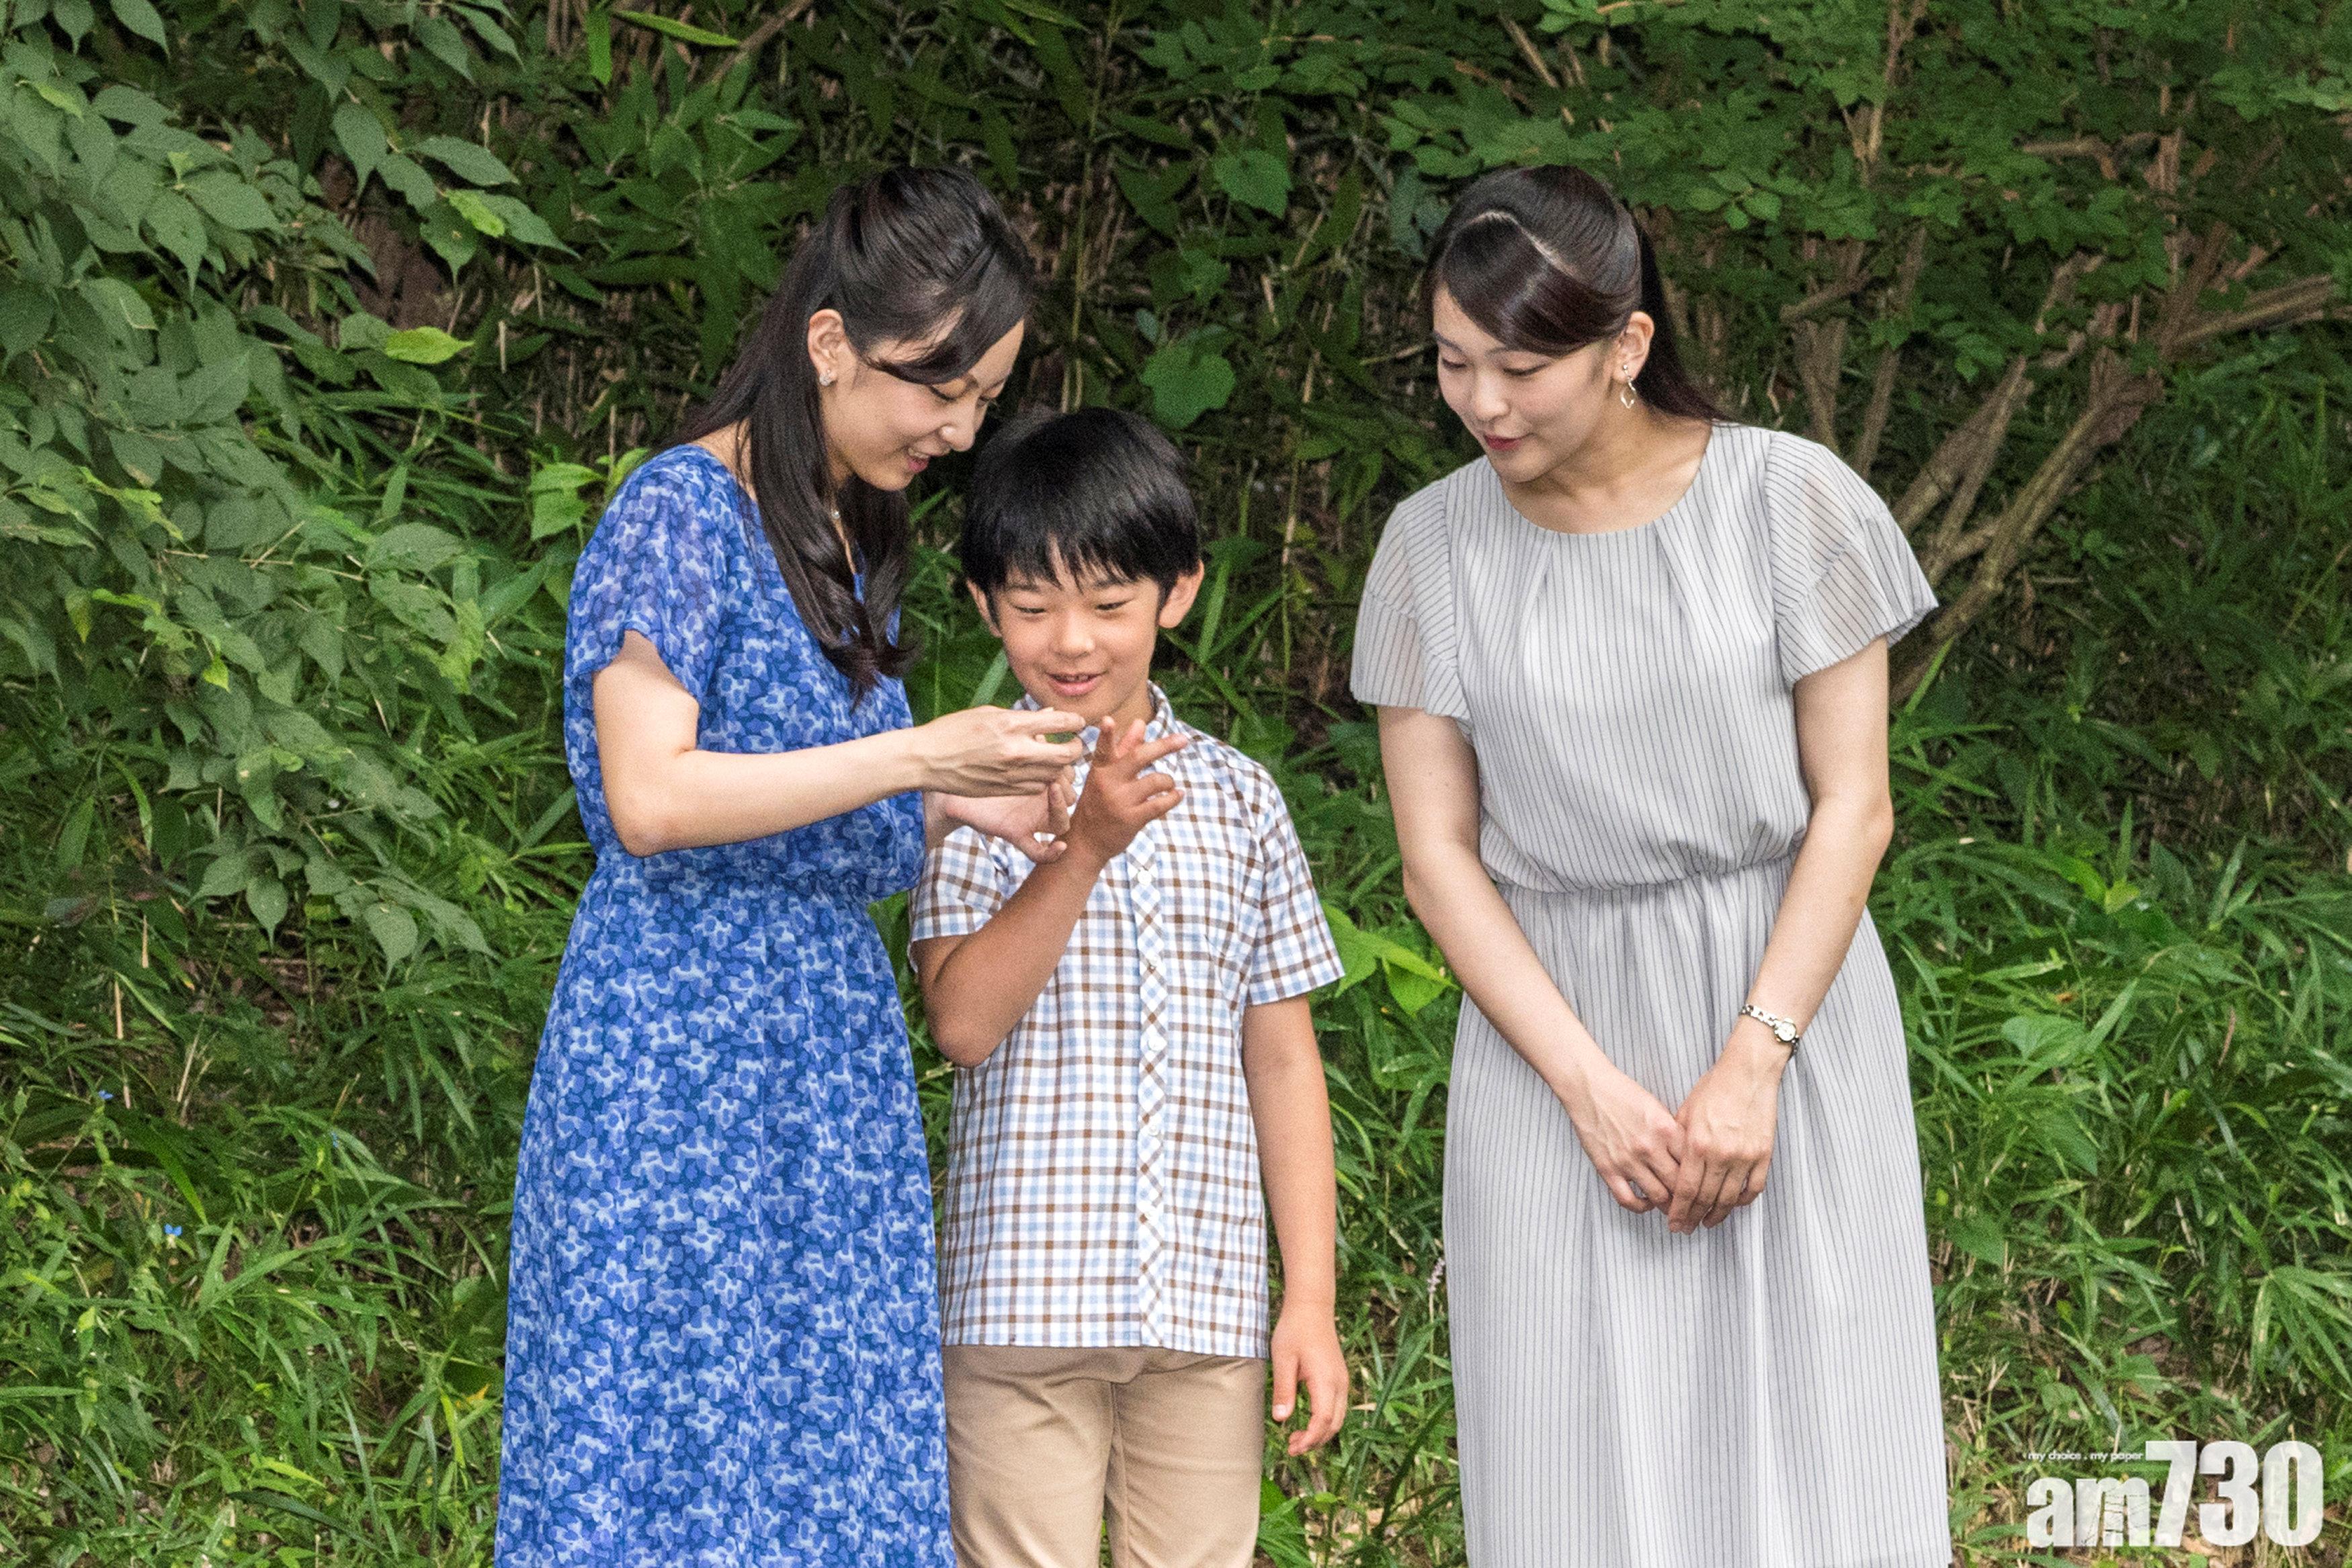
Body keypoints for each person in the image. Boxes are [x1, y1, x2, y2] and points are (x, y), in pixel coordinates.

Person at [1351, 164, 1951, 1566]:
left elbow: (1852, 807)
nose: (1482, 402)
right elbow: (1438, 860)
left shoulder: (1787, 499)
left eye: (1521, 368)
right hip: (1547, 1038)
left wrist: (1754, 1061)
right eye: (1452, 362)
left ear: (1626, 344)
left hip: (1785, 1010)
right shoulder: (1429, 546)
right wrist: (1587, 1087)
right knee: (1570, 1448)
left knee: (1820, 1437)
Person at [495, 167, 1092, 1567]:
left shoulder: (842, 534)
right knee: (668, 1438)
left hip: (824, 1065)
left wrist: (962, 806)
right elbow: (651, 797)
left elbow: (798, 809)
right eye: (937, 386)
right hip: (678, 1056)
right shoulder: (680, 511)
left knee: (821, 1444)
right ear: (830, 342)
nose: (958, 429)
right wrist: (916, 758)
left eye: (984, 398)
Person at [907, 407, 1351, 1568]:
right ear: (983, 604)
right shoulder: (965, 789)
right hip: (1020, 1302)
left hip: (1204, 1306)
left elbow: (1283, 1058)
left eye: (1109, 602)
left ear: (1178, 592)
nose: (1072, 640)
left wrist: (1308, 1296)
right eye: (1032, 604)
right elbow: (962, 1022)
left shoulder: (1242, 800)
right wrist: (1083, 851)